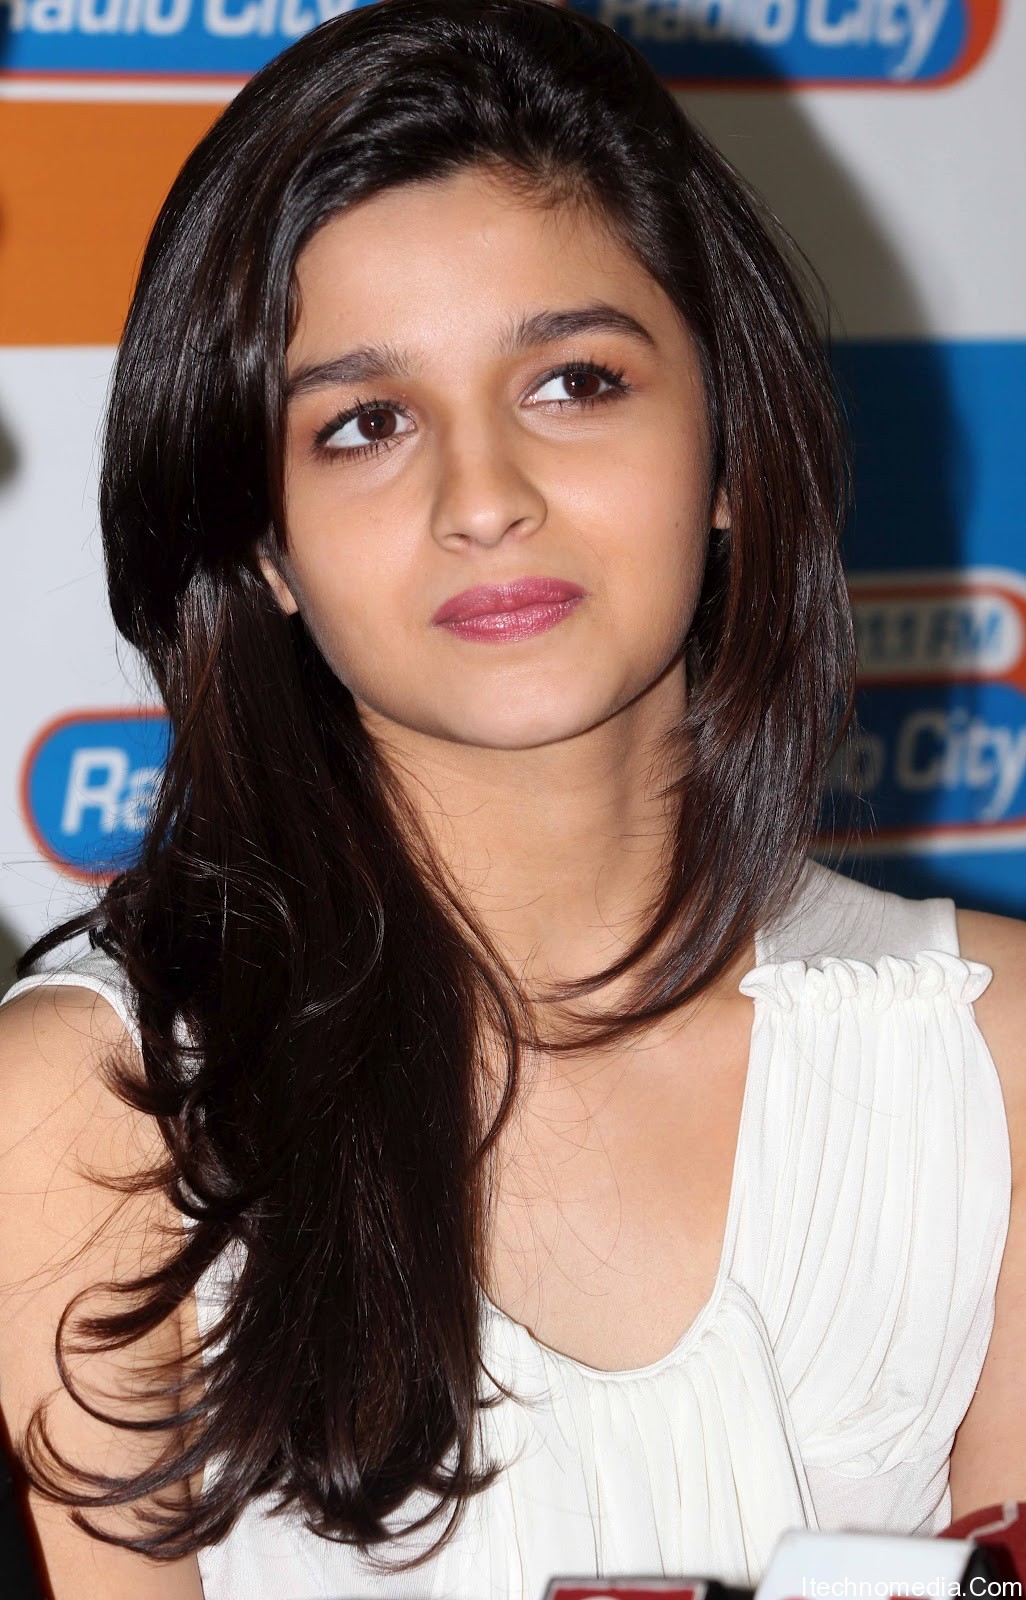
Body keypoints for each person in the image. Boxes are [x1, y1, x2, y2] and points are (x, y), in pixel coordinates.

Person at [1, 1, 1025, 1595]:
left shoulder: (987, 1060)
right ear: (264, 546)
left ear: (728, 447)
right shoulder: (93, 1114)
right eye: (364, 424)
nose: (482, 499)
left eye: (572, 383)